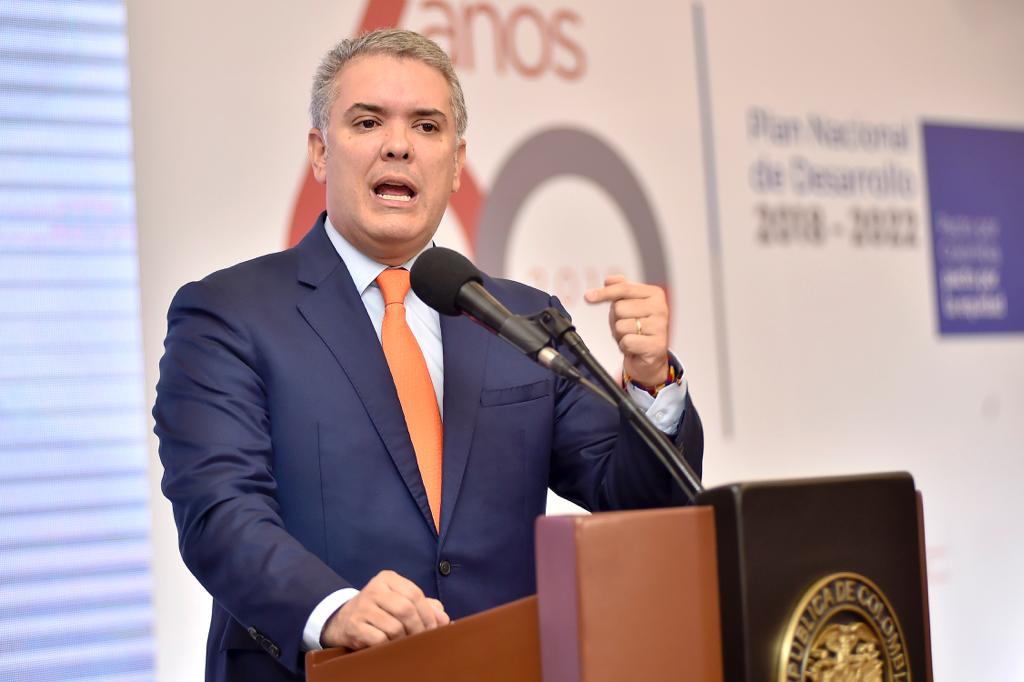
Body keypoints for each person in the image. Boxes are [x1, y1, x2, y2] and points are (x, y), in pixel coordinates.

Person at [154, 28, 703, 682]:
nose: (398, 145)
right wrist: (332, 609)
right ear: (320, 152)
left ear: (457, 161)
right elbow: (220, 513)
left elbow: (637, 501)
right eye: (367, 122)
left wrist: (649, 380)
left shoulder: (522, 319)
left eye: (426, 125)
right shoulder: (228, 313)